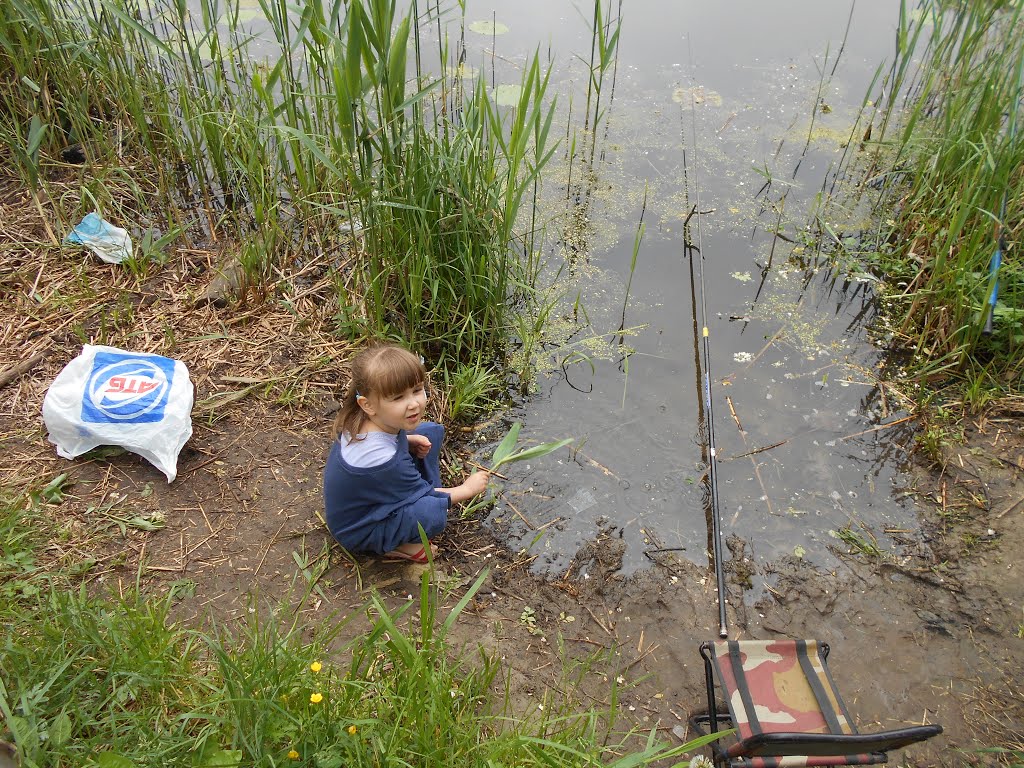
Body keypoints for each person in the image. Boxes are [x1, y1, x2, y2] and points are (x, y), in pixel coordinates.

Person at [323, 344, 489, 563]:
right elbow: (430, 499)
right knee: (430, 514)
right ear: (368, 405)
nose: (414, 404)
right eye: (398, 397)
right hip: (362, 528)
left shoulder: (362, 419)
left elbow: (389, 441)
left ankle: (416, 484)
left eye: (417, 390)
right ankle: (395, 545)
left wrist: (407, 441)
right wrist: (467, 489)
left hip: (373, 494)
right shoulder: (382, 460)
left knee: (430, 432)